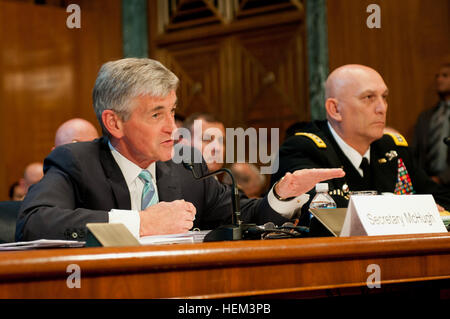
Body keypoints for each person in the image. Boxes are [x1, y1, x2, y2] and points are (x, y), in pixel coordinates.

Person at [16, 58, 344, 241]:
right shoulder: (76, 162)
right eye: (156, 114)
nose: (172, 127)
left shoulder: (186, 166)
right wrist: (141, 222)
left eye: (172, 111)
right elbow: (34, 221)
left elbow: (242, 216)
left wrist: (282, 195)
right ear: (114, 123)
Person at [272, 64, 450, 214]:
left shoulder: (392, 148)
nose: (382, 108)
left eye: (384, 97)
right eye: (368, 97)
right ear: (335, 109)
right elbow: (324, 211)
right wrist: (411, 209)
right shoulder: (303, 148)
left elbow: (441, 199)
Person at [412, 63, 450, 186]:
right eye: (437, 76)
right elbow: (415, 153)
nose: (439, 79)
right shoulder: (425, 117)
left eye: (445, 75)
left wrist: (443, 178)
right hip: (427, 184)